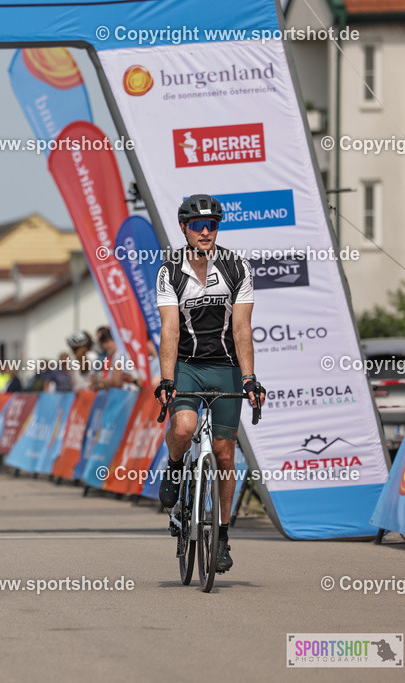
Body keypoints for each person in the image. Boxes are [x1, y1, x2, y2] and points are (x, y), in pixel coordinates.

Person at [153, 194, 267, 574]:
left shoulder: (236, 266)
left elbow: (242, 328)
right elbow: (170, 329)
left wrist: (249, 377)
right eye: (198, 225)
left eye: (212, 225)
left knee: (224, 455)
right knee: (184, 427)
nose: (205, 232)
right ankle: (174, 465)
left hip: (225, 366)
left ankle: (221, 536)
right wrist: (167, 379)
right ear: (184, 228)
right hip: (187, 365)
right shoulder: (170, 270)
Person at [91, 326, 141, 391]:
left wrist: (100, 380)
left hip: (131, 392)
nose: (104, 346)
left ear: (116, 340)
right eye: (103, 343)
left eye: (107, 341)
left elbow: (117, 382)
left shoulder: (119, 355)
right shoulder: (116, 355)